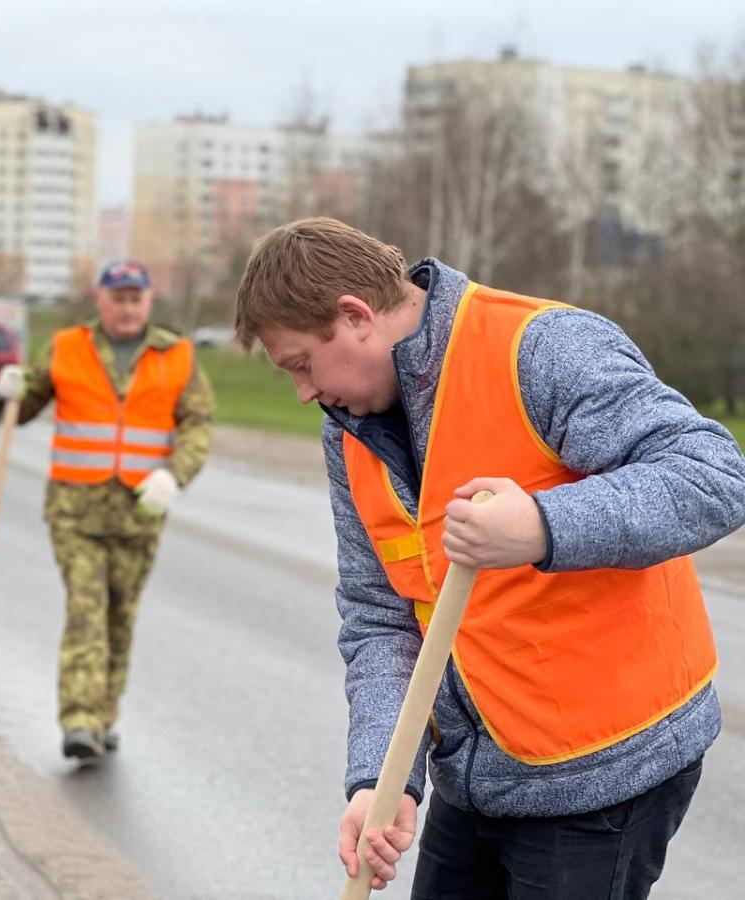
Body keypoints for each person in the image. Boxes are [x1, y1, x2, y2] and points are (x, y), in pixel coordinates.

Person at [233, 217, 745, 899]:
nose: (302, 392)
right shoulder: (350, 429)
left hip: (605, 773)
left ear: (355, 315)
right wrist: (382, 784)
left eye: (301, 363)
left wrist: (541, 524)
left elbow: (713, 475)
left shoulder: (540, 348)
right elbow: (381, 616)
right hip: (479, 776)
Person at [0, 261, 213, 761]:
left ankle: (104, 716)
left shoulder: (177, 355)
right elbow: (23, 406)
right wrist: (6, 389)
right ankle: (80, 720)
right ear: (101, 300)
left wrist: (173, 475)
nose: (128, 307)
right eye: (119, 298)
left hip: (140, 512)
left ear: (149, 302)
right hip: (76, 512)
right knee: (85, 611)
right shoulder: (68, 347)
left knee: (120, 615)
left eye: (136, 298)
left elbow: (198, 425)